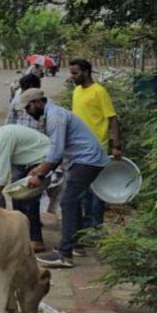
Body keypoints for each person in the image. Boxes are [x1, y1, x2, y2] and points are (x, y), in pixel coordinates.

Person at [21, 88, 111, 268]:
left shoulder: (55, 117)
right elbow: (54, 151)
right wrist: (40, 167)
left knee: (68, 201)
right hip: (82, 160)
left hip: (87, 160)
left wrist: (40, 175)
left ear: (38, 102)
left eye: (28, 107)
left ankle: (64, 254)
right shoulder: (52, 115)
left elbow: (56, 152)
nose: (27, 112)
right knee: (73, 201)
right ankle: (76, 243)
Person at [0, 123, 51, 253]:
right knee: (17, 199)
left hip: (43, 159)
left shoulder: (2, 138)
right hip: (29, 160)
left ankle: (36, 240)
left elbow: (2, 175)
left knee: (29, 200)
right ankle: (23, 236)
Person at [69, 58, 122, 229]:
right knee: (83, 189)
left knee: (96, 189)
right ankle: (86, 225)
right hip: (79, 148)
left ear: (86, 72)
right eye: (71, 73)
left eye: (75, 73)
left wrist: (116, 145)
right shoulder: (76, 91)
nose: (73, 76)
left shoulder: (99, 92)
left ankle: (95, 226)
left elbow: (112, 119)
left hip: (98, 146)